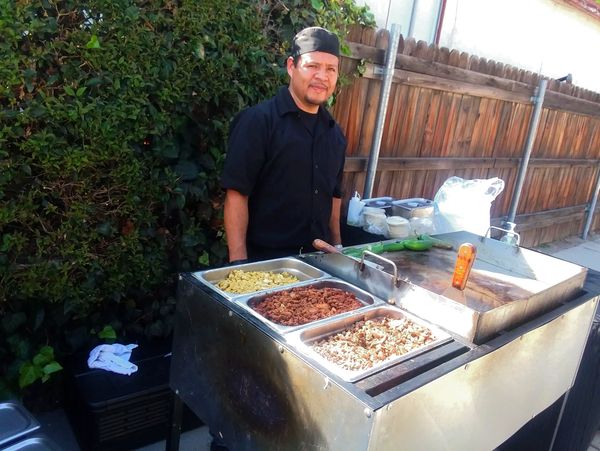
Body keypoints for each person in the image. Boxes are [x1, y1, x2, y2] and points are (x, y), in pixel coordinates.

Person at [221, 26, 347, 264]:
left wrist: (338, 246)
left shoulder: (335, 135)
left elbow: (335, 195)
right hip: (264, 265)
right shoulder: (258, 122)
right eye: (312, 66)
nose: (323, 76)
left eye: (331, 69)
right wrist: (239, 265)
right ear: (292, 66)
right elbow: (237, 194)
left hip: (318, 266)